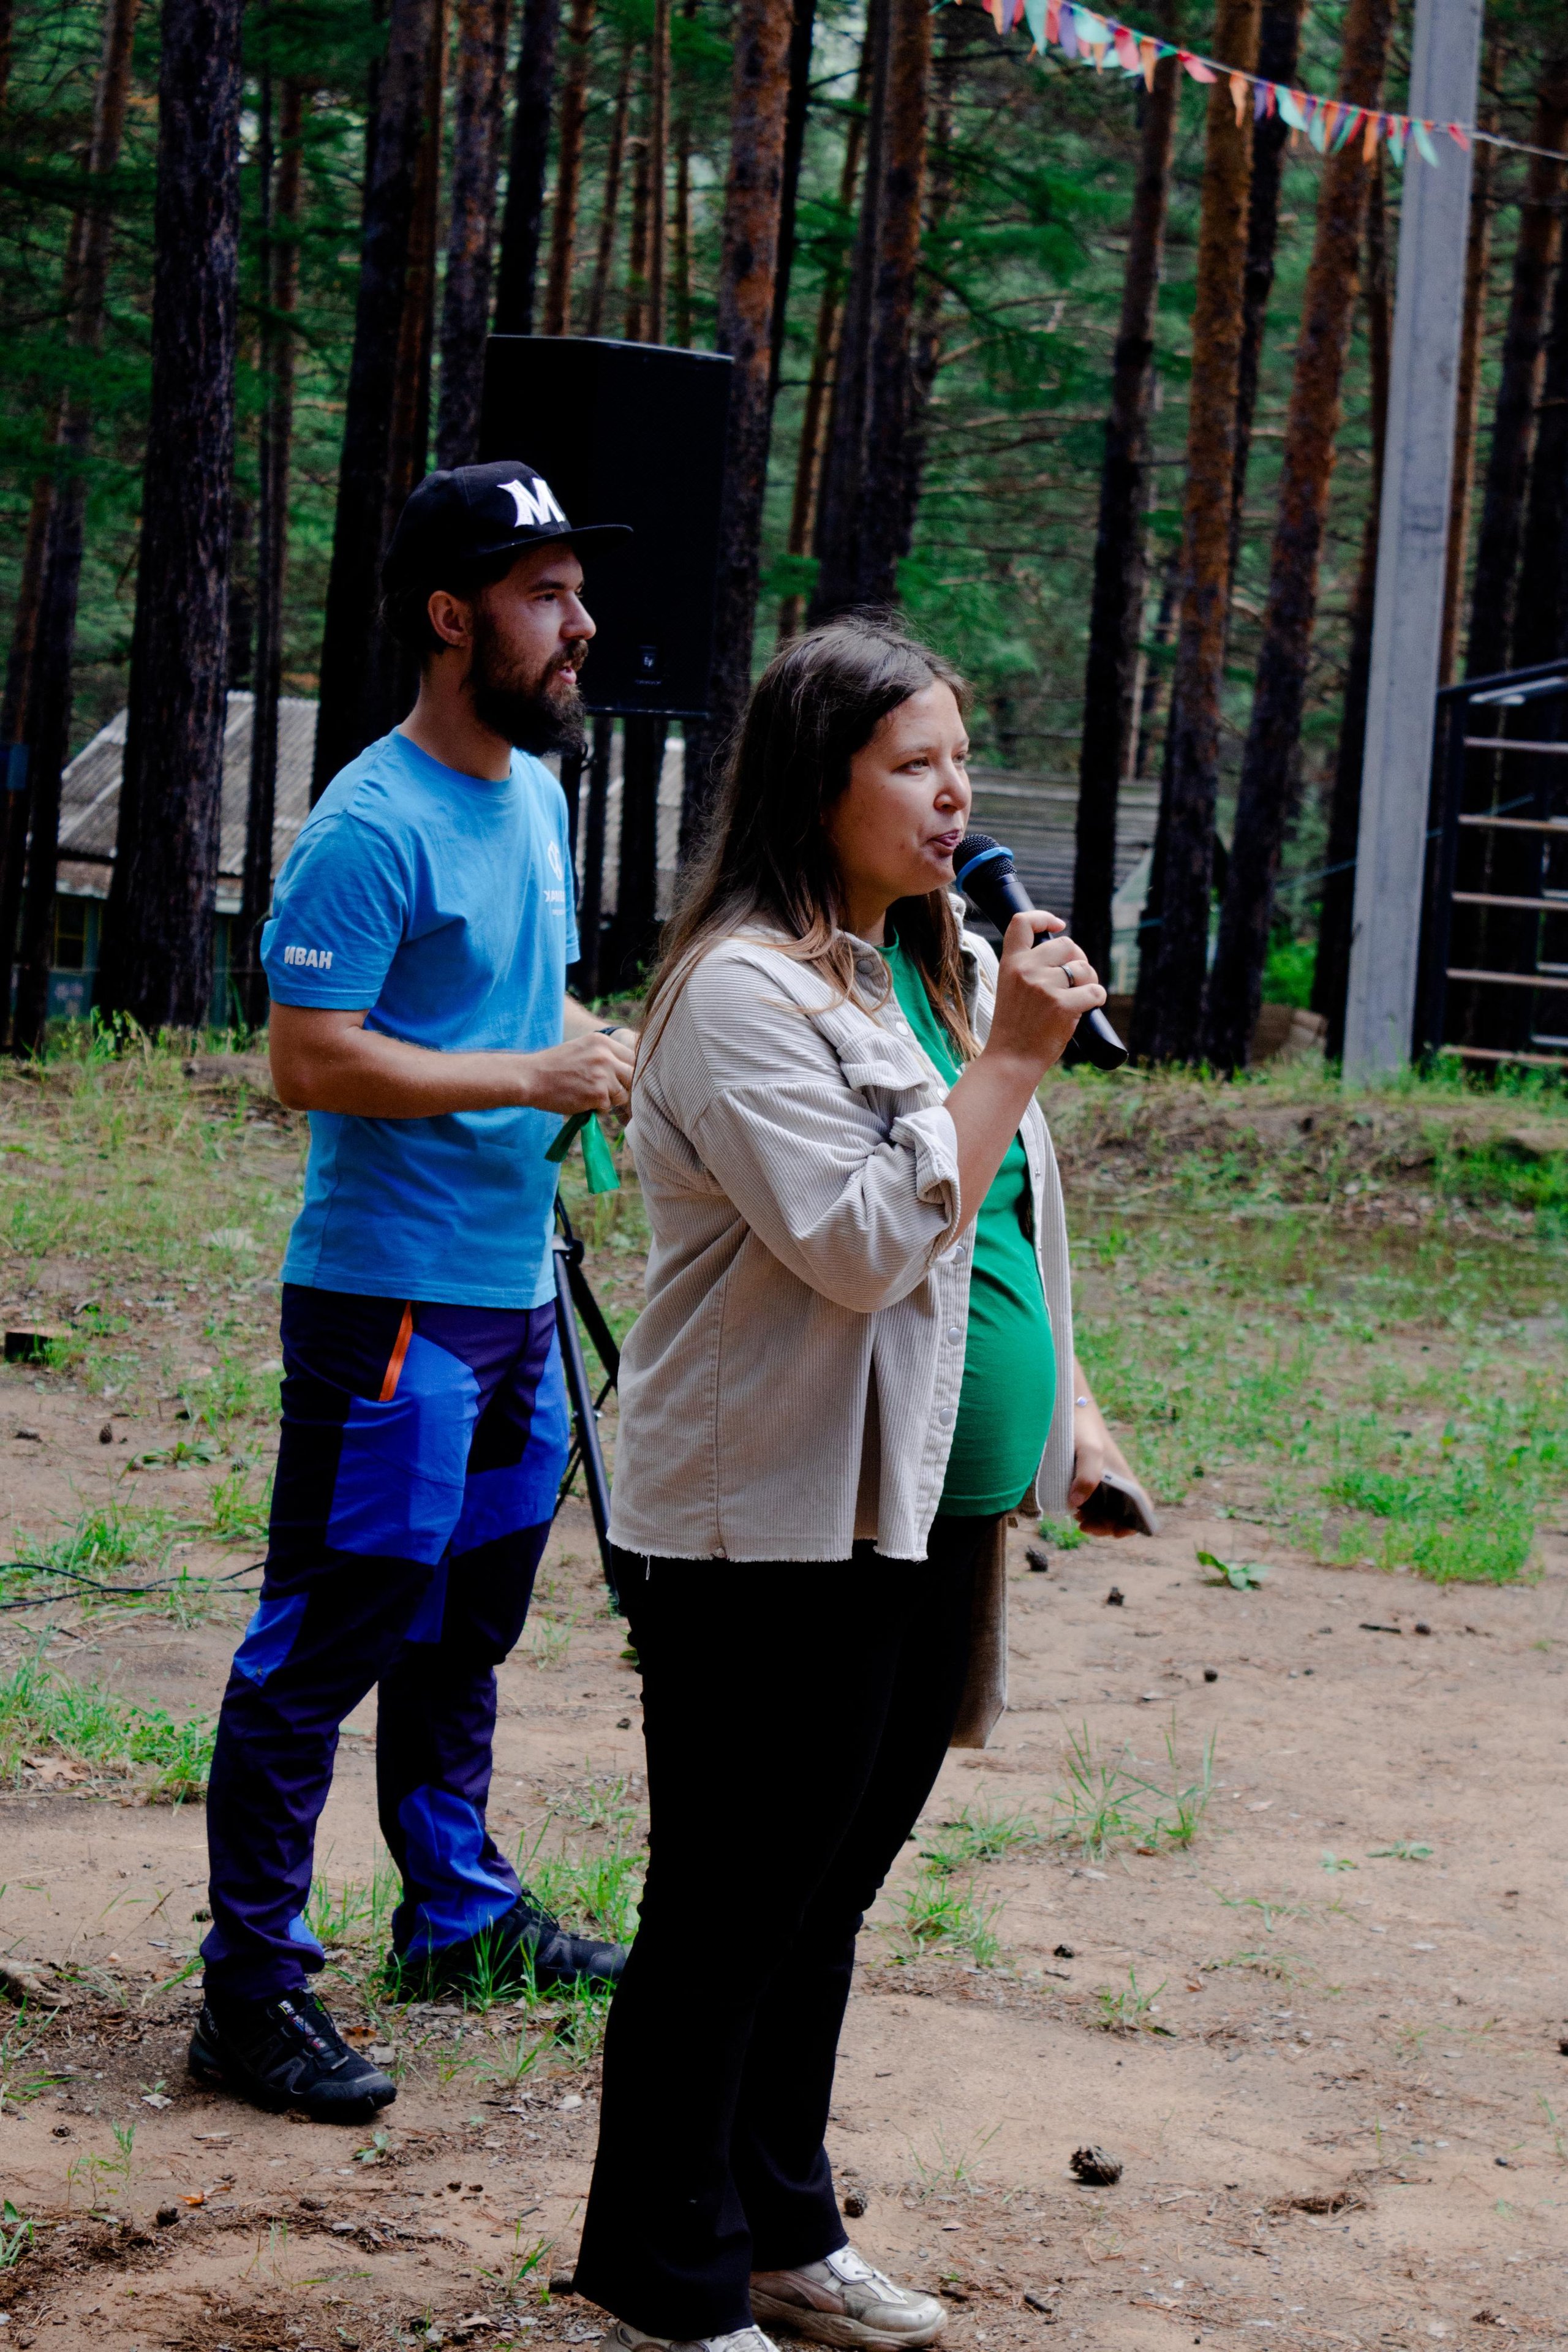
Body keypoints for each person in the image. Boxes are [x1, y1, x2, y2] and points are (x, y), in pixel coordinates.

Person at [573, 618, 1143, 2352]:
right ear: (816, 784)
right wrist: (1013, 1063)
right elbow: (862, 1238)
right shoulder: (741, 989)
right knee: (732, 1901)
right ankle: (666, 2271)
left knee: (826, 1891)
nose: (954, 790)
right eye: (913, 762)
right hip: (770, 1523)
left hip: (921, 1515)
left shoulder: (938, 957)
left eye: (961, 757)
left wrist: (1078, 1419)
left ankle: (780, 2228)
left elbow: (1004, 1231)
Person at [189, 461, 640, 2125]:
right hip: (389, 1305)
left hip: (515, 1288)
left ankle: (454, 1919)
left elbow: (523, 996)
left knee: (467, 1624)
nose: (581, 623)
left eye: (579, 589)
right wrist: (531, 1071)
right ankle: (250, 1995)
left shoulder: (533, 790)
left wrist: (580, 1068)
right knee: (328, 1637)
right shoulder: (367, 826)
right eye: (545, 594)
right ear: (454, 617)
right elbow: (309, 1060)